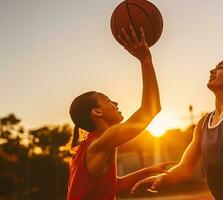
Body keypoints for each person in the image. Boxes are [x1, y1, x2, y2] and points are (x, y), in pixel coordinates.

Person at [131, 57, 223, 200]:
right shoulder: (203, 124)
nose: (212, 71)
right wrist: (162, 178)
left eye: (220, 67)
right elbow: (185, 168)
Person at [67, 26, 173, 200]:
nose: (115, 103)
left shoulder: (95, 147)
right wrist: (145, 59)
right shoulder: (100, 143)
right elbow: (151, 109)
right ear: (97, 112)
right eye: (108, 100)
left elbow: (115, 186)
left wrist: (149, 172)